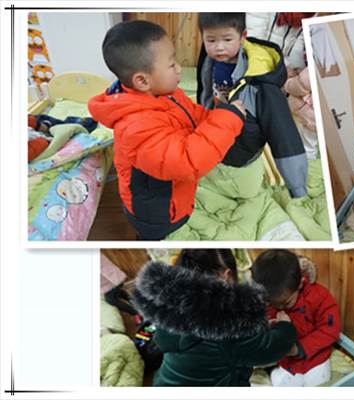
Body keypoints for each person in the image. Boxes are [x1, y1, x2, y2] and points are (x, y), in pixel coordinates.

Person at [88, 21, 246, 240]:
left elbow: (194, 116)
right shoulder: (136, 127)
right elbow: (187, 161)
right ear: (142, 81)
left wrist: (220, 116)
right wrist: (228, 120)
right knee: (158, 239)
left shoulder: (167, 93)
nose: (179, 68)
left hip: (175, 196)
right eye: (172, 64)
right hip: (156, 215)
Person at [131, 249, 298, 386]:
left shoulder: (171, 307)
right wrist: (285, 327)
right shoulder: (226, 323)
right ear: (226, 275)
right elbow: (267, 349)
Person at [196, 13, 308, 198]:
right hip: (216, 124)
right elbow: (206, 88)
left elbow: (282, 131)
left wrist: (297, 186)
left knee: (242, 187)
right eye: (211, 40)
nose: (219, 47)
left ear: (243, 36)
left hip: (241, 146)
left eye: (227, 39)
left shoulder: (260, 82)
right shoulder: (210, 59)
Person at [252, 250, 340, 387]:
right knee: (284, 385)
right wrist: (268, 326)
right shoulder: (265, 302)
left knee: (319, 382)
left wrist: (299, 348)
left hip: (316, 356)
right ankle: (274, 373)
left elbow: (330, 330)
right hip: (286, 361)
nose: (280, 308)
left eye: (286, 303)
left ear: (300, 283)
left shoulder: (320, 297)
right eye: (273, 304)